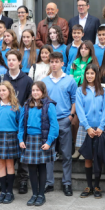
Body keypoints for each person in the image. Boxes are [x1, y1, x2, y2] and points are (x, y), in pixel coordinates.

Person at [0, 49, 33, 194]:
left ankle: (22, 181)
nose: (11, 62)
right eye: (9, 60)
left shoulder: (27, 80)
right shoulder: (1, 78)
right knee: (3, 159)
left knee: (20, 155)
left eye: (14, 59)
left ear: (20, 62)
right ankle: (2, 184)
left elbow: (29, 100)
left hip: (19, 119)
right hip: (2, 121)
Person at [42, 52, 78, 195]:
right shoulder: (44, 81)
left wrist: (71, 116)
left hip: (64, 119)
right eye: (52, 62)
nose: (54, 64)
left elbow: (74, 99)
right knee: (49, 153)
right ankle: (49, 182)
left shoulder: (70, 80)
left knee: (66, 154)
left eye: (57, 61)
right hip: (49, 121)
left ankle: (67, 183)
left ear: (62, 63)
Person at [19, 81, 59, 206]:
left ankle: (41, 194)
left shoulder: (49, 105)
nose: (35, 93)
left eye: (38, 90)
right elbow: (21, 125)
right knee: (31, 168)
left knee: (42, 167)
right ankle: (34, 194)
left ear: (43, 91)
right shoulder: (26, 105)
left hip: (42, 140)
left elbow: (54, 125)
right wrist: (20, 139)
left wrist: (49, 142)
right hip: (29, 140)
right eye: (33, 90)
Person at [75, 64, 105, 199]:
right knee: (88, 157)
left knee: (98, 157)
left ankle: (97, 186)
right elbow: (79, 109)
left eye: (92, 73)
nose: (89, 76)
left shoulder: (103, 91)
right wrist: (87, 127)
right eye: (87, 73)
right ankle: (89, 185)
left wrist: (101, 127)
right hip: (86, 128)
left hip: (100, 128)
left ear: (96, 75)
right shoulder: (80, 90)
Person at [0, 81, 23, 204]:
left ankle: (10, 192)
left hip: (11, 136)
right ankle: (3, 191)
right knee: (1, 165)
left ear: (9, 91)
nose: (2, 93)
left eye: (4, 90)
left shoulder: (16, 107)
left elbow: (20, 124)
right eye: (0, 90)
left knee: (10, 165)